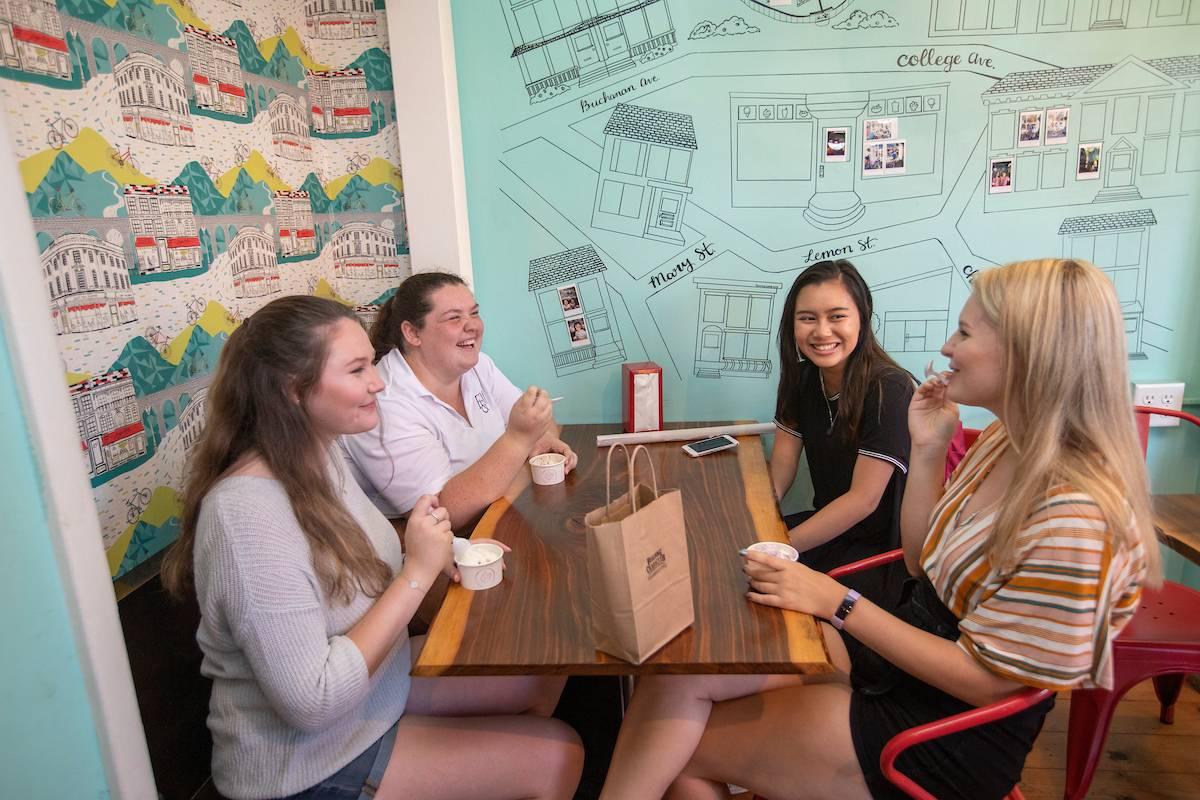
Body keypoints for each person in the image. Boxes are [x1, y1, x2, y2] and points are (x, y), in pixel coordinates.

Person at [597, 258, 1158, 800]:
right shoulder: (1006, 447)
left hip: (942, 730)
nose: (946, 348)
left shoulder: (1075, 516)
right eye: (807, 318)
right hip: (894, 662)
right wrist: (931, 448)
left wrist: (837, 602)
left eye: (963, 332)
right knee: (672, 683)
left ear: (1029, 353)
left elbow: (987, 683)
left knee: (675, 749)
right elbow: (920, 563)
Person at [161, 296, 582, 800]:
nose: (378, 381)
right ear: (293, 390)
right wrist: (416, 573)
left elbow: (364, 572)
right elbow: (312, 702)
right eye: (358, 369)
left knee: (545, 671)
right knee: (559, 754)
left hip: (377, 689)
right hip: (308, 762)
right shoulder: (244, 517)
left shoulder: (321, 458)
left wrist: (435, 551)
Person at [341, 272, 577, 528]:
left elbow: (535, 423)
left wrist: (543, 440)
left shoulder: (477, 366)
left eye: (474, 313)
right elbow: (441, 513)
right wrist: (520, 440)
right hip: (442, 549)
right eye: (454, 317)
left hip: (499, 517)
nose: (473, 326)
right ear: (412, 333)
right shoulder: (385, 404)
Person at [770, 259, 914, 600]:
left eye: (837, 316)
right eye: (807, 318)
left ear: (862, 318)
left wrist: (782, 547)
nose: (821, 332)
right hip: (831, 531)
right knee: (736, 558)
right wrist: (758, 519)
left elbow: (863, 500)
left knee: (770, 587)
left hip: (881, 554)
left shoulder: (889, 388)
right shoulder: (803, 378)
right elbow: (782, 465)